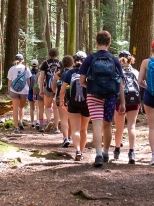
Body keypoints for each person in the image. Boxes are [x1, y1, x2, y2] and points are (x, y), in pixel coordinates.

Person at [79, 31, 126, 167]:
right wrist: (122, 102)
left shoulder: (90, 59)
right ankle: (106, 153)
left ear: (96, 42)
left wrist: (92, 87)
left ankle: (98, 155)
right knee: (108, 125)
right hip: (111, 96)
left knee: (97, 125)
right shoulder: (114, 60)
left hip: (93, 96)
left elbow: (82, 81)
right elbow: (120, 83)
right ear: (109, 43)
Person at [59, 51, 89, 160]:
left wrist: (62, 102)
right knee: (83, 130)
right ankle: (81, 151)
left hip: (73, 104)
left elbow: (62, 90)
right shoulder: (89, 72)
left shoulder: (69, 73)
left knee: (75, 129)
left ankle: (77, 151)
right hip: (87, 104)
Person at [114, 50, 140, 164]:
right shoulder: (136, 72)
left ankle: (117, 149)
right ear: (130, 59)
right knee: (131, 127)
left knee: (119, 128)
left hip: (119, 102)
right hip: (134, 102)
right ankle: (131, 152)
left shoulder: (115, 71)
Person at [7, 53, 32, 133]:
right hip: (24, 91)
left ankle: (16, 127)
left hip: (14, 90)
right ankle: (20, 121)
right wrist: (28, 89)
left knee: (15, 108)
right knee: (21, 107)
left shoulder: (12, 69)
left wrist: (9, 88)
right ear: (22, 60)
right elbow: (28, 80)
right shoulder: (26, 68)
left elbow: (10, 80)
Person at [39, 48, 61, 134]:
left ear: (49, 54)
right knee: (56, 109)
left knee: (47, 107)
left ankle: (49, 121)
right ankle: (56, 127)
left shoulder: (45, 63)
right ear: (57, 54)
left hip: (47, 88)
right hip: (57, 89)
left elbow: (42, 78)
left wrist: (41, 90)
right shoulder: (60, 63)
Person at [53, 55, 74, 148]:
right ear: (72, 63)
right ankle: (70, 137)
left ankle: (65, 138)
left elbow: (53, 88)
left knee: (63, 119)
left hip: (60, 98)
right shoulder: (74, 72)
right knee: (71, 119)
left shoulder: (58, 74)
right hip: (72, 98)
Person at [27, 59, 39, 128]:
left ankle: (32, 122)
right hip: (37, 92)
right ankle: (38, 121)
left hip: (30, 92)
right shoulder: (39, 72)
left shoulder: (29, 72)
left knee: (32, 108)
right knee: (38, 107)